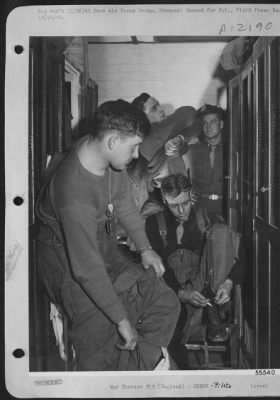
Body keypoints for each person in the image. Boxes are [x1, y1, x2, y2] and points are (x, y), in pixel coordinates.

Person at [35, 99, 180, 371]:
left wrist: (145, 248)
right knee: (100, 342)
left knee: (165, 301)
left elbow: (123, 200)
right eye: (134, 146)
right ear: (113, 141)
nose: (137, 155)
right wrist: (121, 320)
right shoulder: (73, 191)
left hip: (99, 244)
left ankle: (134, 369)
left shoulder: (105, 156)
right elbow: (86, 270)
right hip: (65, 259)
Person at [145, 174, 244, 366]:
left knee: (222, 232)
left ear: (191, 194)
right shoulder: (153, 223)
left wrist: (229, 282)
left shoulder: (208, 216)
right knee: (170, 334)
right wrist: (181, 293)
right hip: (172, 290)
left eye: (185, 202)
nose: (181, 210)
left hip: (207, 289)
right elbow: (158, 271)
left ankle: (216, 312)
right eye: (174, 206)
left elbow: (240, 255)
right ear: (164, 200)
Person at [186, 104, 227, 218]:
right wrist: (186, 192)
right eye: (204, 123)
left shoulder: (232, 150)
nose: (208, 126)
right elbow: (180, 175)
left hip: (227, 206)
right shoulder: (191, 149)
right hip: (200, 208)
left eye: (213, 121)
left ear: (221, 124)